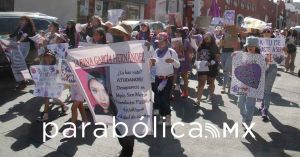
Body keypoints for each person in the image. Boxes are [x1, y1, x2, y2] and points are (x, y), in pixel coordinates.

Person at [109, 22, 135, 157]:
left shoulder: (136, 51)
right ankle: (125, 147)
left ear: (127, 37)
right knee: (118, 126)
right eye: (115, 33)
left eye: (119, 33)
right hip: (113, 95)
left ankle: (127, 150)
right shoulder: (110, 49)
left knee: (127, 126)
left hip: (129, 96)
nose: (116, 36)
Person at [236, 36, 265, 130]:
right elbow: (237, 66)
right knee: (240, 103)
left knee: (250, 105)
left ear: (256, 47)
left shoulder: (260, 57)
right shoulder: (242, 55)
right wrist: (234, 56)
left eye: (252, 45)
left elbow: (262, 72)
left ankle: (247, 122)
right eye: (248, 45)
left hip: (253, 85)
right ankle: (245, 117)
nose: (250, 47)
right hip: (243, 84)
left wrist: (266, 64)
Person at [151, 32, 180, 125]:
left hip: (168, 79)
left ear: (166, 42)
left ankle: (168, 117)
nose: (159, 44)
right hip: (158, 79)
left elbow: (178, 65)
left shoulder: (171, 51)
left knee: (165, 99)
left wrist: (172, 61)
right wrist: (152, 63)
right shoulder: (156, 52)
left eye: (161, 42)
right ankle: (162, 117)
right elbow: (154, 65)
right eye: (158, 42)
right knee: (159, 99)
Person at [9, 16, 36, 90]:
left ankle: (24, 81)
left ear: (27, 21)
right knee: (17, 63)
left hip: (24, 45)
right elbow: (13, 35)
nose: (21, 21)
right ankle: (23, 81)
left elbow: (25, 35)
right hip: (18, 45)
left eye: (23, 20)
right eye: (21, 20)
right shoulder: (19, 27)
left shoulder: (28, 28)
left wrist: (19, 41)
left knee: (20, 63)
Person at [259, 27, 279, 122]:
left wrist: (284, 50)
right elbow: (250, 52)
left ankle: (265, 109)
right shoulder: (258, 43)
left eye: (269, 32)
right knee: (262, 88)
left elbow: (282, 57)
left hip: (272, 67)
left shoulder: (277, 43)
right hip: (261, 67)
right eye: (265, 32)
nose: (266, 33)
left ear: (271, 34)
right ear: (262, 34)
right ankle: (263, 105)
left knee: (267, 90)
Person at [195, 32, 220, 105]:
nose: (206, 37)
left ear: (211, 37)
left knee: (211, 82)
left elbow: (217, 57)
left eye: (208, 36)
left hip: (212, 67)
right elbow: (198, 54)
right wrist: (197, 63)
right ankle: (198, 100)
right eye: (205, 36)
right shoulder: (201, 45)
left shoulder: (215, 46)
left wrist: (211, 62)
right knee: (201, 83)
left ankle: (210, 95)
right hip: (202, 66)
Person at [173, 27, 193, 97]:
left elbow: (191, 51)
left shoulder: (186, 41)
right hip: (175, 60)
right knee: (174, 76)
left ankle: (185, 91)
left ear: (182, 34)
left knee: (184, 77)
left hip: (184, 61)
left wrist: (184, 49)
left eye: (179, 33)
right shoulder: (173, 40)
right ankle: (170, 93)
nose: (177, 34)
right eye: (176, 32)